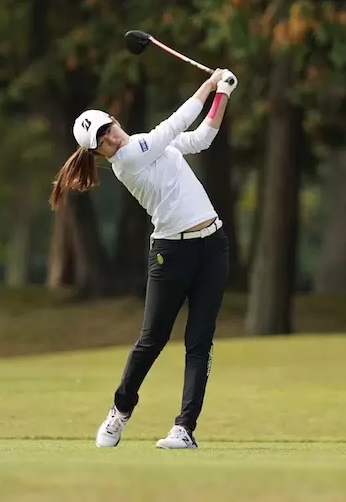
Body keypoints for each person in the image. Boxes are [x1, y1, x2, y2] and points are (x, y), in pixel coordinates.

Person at [50, 68, 238, 449]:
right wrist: (209, 84)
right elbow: (174, 125)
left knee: (200, 341)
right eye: (102, 141)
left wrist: (223, 94)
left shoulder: (144, 144)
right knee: (152, 339)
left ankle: (184, 428)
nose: (110, 138)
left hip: (212, 245)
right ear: (98, 153)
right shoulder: (129, 159)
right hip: (172, 252)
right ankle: (119, 412)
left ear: (114, 120)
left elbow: (201, 138)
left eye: (108, 128)